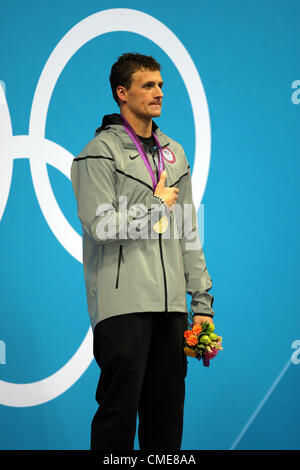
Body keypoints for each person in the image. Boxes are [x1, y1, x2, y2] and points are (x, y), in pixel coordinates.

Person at [70, 52, 215, 451]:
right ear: (122, 93)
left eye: (161, 85)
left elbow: (187, 231)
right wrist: (154, 205)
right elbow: (99, 225)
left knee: (166, 424)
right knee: (118, 420)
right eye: (148, 85)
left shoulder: (175, 153)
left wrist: (201, 303)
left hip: (170, 310)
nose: (158, 93)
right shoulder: (97, 153)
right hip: (123, 307)